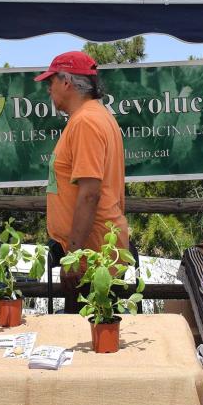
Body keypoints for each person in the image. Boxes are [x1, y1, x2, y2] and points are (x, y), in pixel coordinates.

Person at [34, 51, 130, 313]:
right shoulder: (94, 115)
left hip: (91, 256)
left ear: (66, 82)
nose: (48, 89)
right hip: (95, 251)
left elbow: (90, 194)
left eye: (50, 82)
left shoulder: (86, 121)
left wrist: (73, 256)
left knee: (88, 343)